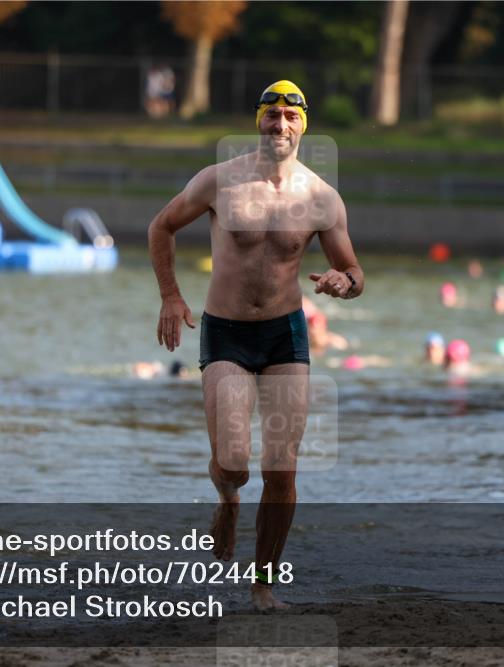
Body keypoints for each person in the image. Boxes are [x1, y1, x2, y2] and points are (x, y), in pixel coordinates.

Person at [147, 80, 363, 611]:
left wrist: (345, 282)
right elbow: (161, 226)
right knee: (237, 463)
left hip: (285, 333)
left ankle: (263, 584)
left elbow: (353, 270)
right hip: (226, 332)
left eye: (291, 116)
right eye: (273, 115)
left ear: (303, 126)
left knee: (283, 469)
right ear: (259, 120)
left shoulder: (320, 198)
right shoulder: (220, 181)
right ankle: (227, 499)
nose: (281, 125)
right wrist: (171, 296)